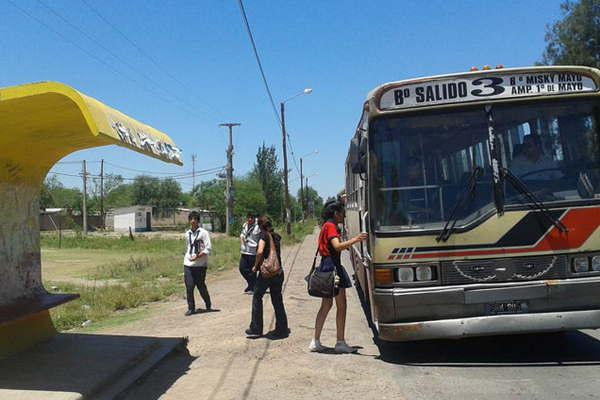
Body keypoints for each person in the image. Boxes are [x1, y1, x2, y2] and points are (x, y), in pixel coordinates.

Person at [309, 201, 368, 353]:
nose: (343, 215)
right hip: (333, 268)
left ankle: (315, 341)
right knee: (342, 306)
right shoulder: (331, 226)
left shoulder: (325, 226)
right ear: (335, 213)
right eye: (341, 212)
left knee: (326, 305)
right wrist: (356, 239)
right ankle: (340, 342)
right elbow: (336, 246)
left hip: (326, 266)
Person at [245, 216, 289, 338]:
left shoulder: (263, 236)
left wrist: (255, 266)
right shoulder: (276, 236)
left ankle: (256, 328)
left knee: (257, 297)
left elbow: (260, 252)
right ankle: (282, 329)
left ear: (259, 226)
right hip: (278, 272)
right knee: (277, 300)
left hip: (267, 274)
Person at [183, 211, 212, 316]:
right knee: (189, 287)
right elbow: (188, 247)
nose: (193, 221)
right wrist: (189, 257)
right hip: (188, 264)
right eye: (191, 219)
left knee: (200, 286)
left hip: (200, 265)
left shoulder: (204, 233)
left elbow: (208, 248)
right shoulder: (187, 234)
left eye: (195, 219)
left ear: (198, 221)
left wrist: (198, 256)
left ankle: (208, 303)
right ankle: (191, 308)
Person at [239, 213, 260, 294]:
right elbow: (242, 235)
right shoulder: (245, 225)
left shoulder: (258, 227)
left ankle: (253, 287)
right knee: (242, 269)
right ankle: (251, 284)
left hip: (253, 252)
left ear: (254, 218)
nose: (250, 219)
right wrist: (242, 243)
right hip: (244, 251)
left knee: (252, 271)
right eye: (248, 218)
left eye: (251, 218)